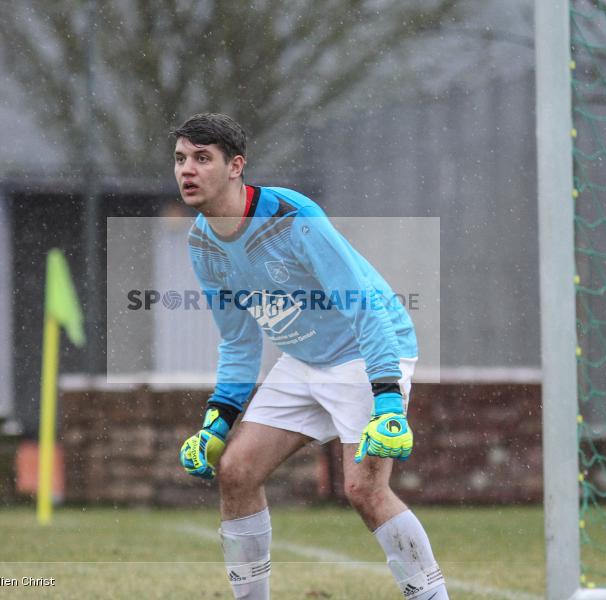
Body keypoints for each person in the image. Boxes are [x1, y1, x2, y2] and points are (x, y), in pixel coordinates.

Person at [174, 113, 449, 600]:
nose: (187, 171)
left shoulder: (291, 216)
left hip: (366, 352)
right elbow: (239, 341)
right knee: (236, 472)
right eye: (180, 159)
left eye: (202, 159)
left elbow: (362, 304)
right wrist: (217, 423)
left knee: (364, 491)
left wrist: (386, 399)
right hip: (304, 361)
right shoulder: (201, 242)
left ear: (236, 166)